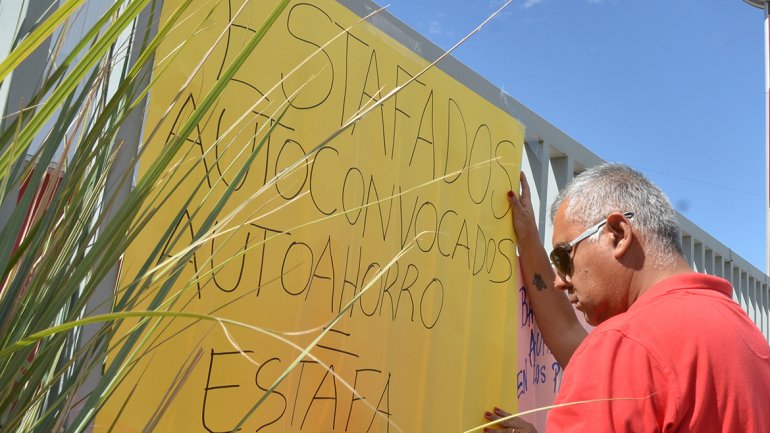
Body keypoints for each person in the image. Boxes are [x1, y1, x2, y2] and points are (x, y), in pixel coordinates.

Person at [483, 163, 770, 433]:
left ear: (618, 234)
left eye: (563, 257)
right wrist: (528, 240)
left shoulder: (624, 347)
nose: (560, 281)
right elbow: (566, 332)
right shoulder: (744, 333)